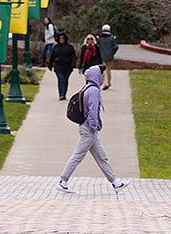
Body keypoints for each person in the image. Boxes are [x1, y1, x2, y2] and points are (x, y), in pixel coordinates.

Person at [55, 65, 130, 194]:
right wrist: (95, 126)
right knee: (78, 156)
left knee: (102, 157)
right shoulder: (94, 90)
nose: (103, 77)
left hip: (88, 129)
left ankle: (115, 183)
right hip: (89, 129)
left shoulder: (88, 87)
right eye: (102, 75)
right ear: (97, 75)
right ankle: (63, 181)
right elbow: (92, 111)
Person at [48, 32, 77, 100]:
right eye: (60, 38)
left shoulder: (69, 47)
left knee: (66, 80)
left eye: (63, 38)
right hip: (58, 66)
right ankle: (61, 94)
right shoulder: (56, 47)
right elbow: (52, 56)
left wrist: (73, 64)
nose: (61, 39)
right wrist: (50, 65)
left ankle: (64, 93)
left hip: (67, 66)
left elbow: (73, 56)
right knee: (61, 80)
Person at [96, 24, 119, 90]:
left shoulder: (99, 38)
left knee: (104, 70)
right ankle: (108, 82)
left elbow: (97, 46)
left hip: (102, 56)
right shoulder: (112, 38)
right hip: (110, 56)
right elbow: (116, 47)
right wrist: (112, 53)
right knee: (108, 69)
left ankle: (106, 83)